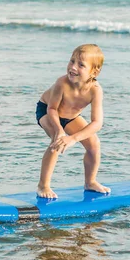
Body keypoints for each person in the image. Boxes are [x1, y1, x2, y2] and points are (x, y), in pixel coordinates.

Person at [35, 44, 111, 199]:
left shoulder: (95, 90)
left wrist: (74, 138)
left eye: (81, 65)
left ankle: (90, 182)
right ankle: (43, 185)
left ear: (94, 71)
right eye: (71, 61)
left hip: (71, 117)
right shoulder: (62, 83)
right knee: (57, 141)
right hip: (47, 111)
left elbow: (97, 123)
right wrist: (59, 130)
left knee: (94, 144)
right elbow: (52, 109)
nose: (73, 67)